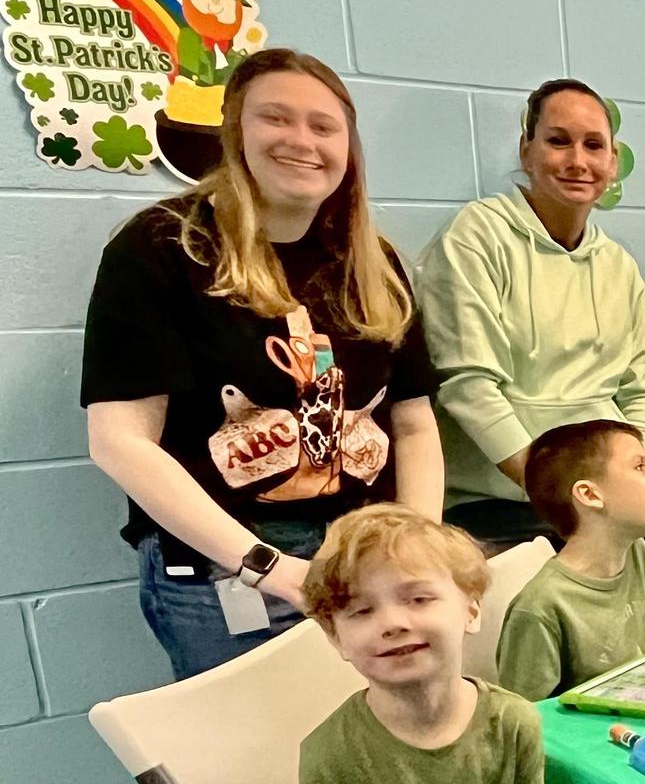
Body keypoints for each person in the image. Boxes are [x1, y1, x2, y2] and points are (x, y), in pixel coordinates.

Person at [80, 48, 442, 680]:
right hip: (229, 566)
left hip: (365, 557)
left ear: (349, 148)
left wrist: (415, 550)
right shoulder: (163, 248)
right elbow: (120, 443)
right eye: (276, 118)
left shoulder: (371, 262)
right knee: (256, 765)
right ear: (234, 133)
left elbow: (413, 425)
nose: (301, 140)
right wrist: (269, 568)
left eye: (323, 126)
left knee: (379, 750)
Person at [419, 78, 645, 550]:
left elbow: (640, 387)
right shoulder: (476, 239)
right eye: (558, 141)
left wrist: (634, 474)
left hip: (605, 509)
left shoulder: (619, 267)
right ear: (526, 152)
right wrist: (558, 495)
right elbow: (468, 386)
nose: (577, 160)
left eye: (594, 145)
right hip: (499, 516)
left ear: (612, 163)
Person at [299, 504, 549, 784]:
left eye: (418, 599)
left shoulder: (514, 723)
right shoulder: (328, 760)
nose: (392, 623)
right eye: (361, 610)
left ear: (471, 610)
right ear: (336, 639)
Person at [496, 420, 645, 701]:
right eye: (640, 466)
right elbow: (526, 726)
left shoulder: (636, 551)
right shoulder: (539, 608)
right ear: (589, 494)